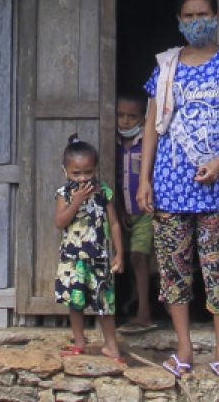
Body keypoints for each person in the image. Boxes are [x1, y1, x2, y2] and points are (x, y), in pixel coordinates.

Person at [137, 0, 219, 382]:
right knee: (174, 269)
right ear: (178, 21)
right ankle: (184, 347)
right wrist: (144, 179)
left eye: (202, 14)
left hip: (218, 188)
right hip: (171, 186)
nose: (196, 22)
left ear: (217, 15)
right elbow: (152, 128)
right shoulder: (166, 67)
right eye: (188, 16)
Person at [53, 135, 124, 362]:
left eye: (88, 172)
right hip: (74, 259)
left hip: (99, 257)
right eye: (76, 173)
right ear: (65, 171)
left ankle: (111, 346)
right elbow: (60, 222)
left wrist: (119, 253)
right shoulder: (64, 194)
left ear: (95, 169)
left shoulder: (103, 192)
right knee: (76, 303)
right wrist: (76, 201)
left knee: (105, 303)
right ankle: (79, 342)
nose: (83, 178)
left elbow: (114, 223)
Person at [114, 92, 156, 334]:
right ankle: (129, 304)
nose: (125, 121)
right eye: (120, 115)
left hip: (145, 211)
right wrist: (118, 209)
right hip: (122, 211)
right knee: (126, 261)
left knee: (139, 258)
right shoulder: (112, 143)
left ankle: (144, 313)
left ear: (143, 118)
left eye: (132, 116)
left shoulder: (147, 143)